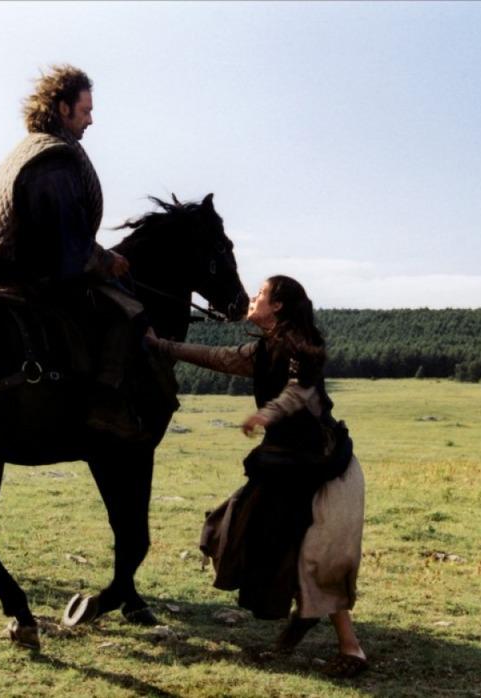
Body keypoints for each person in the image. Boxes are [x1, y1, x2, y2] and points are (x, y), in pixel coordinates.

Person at [147, 275, 368, 678]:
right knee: (232, 527)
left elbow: (302, 391)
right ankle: (301, 614)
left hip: (324, 469)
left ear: (278, 305)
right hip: (282, 467)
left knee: (320, 557)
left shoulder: (301, 346)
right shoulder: (263, 349)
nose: (252, 297)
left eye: (260, 293)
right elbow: (217, 357)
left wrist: (266, 413)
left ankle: (351, 648)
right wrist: (161, 346)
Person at [0, 64, 143, 438]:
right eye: (86, 110)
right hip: (26, 271)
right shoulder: (55, 158)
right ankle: (102, 404)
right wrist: (105, 260)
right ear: (63, 108)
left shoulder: (23, 151)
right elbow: (63, 240)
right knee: (125, 311)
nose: (91, 120)